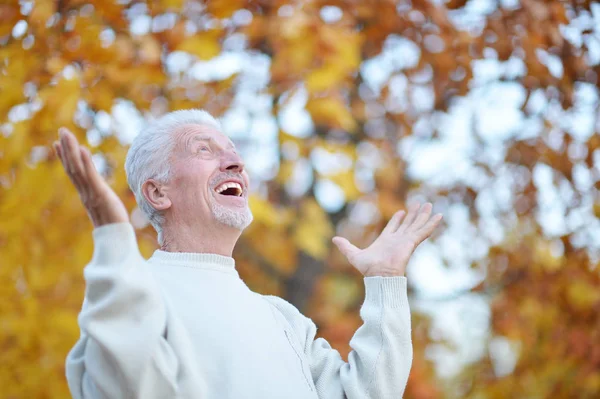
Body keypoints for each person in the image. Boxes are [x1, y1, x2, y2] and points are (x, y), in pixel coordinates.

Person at [55, 109, 442, 399]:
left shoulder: (282, 317)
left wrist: (385, 280)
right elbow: (122, 383)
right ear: (158, 192)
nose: (235, 163)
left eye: (234, 152)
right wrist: (113, 238)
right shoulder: (131, 292)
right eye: (204, 150)